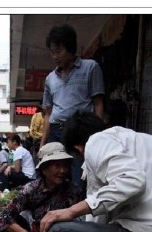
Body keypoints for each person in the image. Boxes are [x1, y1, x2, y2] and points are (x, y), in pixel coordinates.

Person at [40, 24, 105, 191]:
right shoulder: (50, 79)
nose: (55, 56)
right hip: (55, 131)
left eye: (59, 51)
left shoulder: (90, 67)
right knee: (52, 178)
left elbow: (98, 103)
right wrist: (43, 144)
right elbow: (48, 113)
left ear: (70, 48)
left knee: (79, 177)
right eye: (52, 52)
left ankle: (76, 215)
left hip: (79, 131)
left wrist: (98, 137)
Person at [0, 142, 84, 232]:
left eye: (65, 165)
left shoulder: (74, 190)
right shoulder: (31, 189)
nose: (63, 171)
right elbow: (4, 216)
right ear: (44, 169)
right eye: (57, 166)